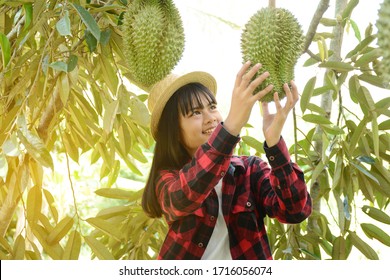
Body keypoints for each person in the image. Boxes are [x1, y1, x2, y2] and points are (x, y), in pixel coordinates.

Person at [142, 61, 312, 260]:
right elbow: (184, 196)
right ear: (174, 131)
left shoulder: (249, 170)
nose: (210, 118)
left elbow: (295, 211)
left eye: (212, 107)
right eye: (195, 112)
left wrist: (274, 143)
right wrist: (231, 126)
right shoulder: (167, 179)